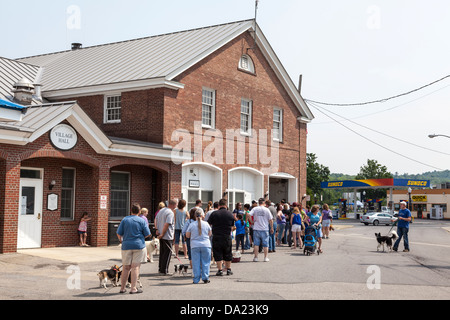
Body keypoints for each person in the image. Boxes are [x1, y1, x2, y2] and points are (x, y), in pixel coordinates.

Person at [116, 203, 151, 294]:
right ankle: (133, 288)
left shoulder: (125, 220)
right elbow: (147, 234)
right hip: (138, 245)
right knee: (135, 267)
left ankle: (122, 288)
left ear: (131, 211)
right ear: (139, 212)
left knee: (126, 267)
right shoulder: (142, 220)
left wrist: (121, 241)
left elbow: (119, 233)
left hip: (126, 245)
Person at [207, 198, 235, 276]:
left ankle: (220, 270)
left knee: (217, 253)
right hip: (227, 236)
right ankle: (228, 269)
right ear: (226, 205)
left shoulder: (214, 214)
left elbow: (208, 224)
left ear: (219, 205)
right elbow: (232, 226)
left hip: (217, 236)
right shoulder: (230, 214)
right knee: (228, 253)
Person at [186, 208, 212, 284]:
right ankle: (205, 277)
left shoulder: (191, 224)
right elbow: (210, 234)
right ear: (202, 215)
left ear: (195, 216)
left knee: (196, 263)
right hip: (206, 244)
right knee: (206, 262)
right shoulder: (206, 224)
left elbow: (187, 235)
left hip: (195, 245)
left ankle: (196, 279)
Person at [155, 199, 177, 275]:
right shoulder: (170, 213)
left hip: (161, 233)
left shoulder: (161, 210)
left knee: (162, 252)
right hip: (167, 235)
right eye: (176, 204)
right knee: (167, 253)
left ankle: (161, 268)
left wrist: (157, 229)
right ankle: (164, 269)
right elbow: (167, 224)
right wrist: (162, 234)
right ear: (173, 205)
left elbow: (156, 220)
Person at [249, 198, 274, 262]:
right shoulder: (267, 209)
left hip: (256, 228)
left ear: (259, 203)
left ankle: (256, 257)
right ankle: (265, 257)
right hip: (265, 228)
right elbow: (271, 219)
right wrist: (271, 227)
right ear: (264, 203)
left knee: (256, 244)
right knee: (265, 244)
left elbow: (248, 214)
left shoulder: (255, 209)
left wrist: (251, 221)